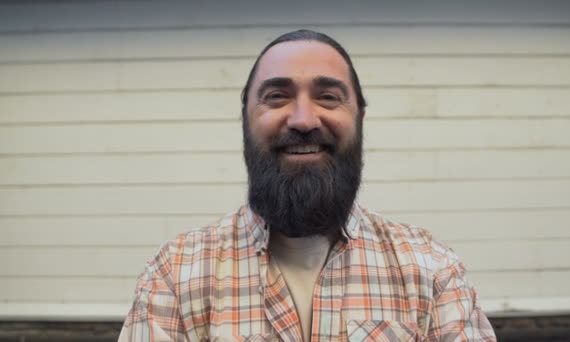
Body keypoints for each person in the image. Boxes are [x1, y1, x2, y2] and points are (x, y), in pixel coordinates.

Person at [119, 29, 496, 341]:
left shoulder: (430, 270)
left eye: (328, 97)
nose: (303, 119)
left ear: (359, 117)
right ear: (246, 119)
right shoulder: (176, 273)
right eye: (278, 96)